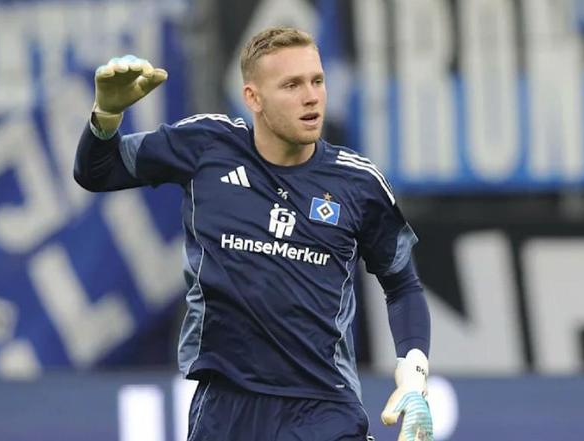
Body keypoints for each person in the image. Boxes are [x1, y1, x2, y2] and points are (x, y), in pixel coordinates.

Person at [74, 27, 433, 441]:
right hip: (225, 409)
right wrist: (106, 117)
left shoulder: (358, 182)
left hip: (323, 410)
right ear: (253, 98)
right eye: (292, 85)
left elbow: (402, 285)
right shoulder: (207, 146)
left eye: (317, 81)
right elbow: (98, 172)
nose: (311, 97)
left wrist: (413, 373)